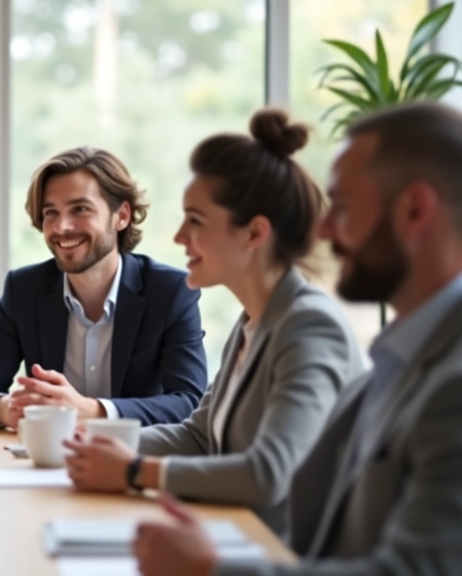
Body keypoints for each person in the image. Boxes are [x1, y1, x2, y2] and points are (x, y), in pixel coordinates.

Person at [133, 102, 462, 575]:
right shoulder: (402, 356)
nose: (324, 230)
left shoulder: (449, 382)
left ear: (414, 210)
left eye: (344, 207)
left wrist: (212, 569)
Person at [63, 109, 364, 535]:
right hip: (235, 537)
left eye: (196, 221)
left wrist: (134, 471)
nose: (179, 236)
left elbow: (269, 473)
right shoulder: (251, 324)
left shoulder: (311, 327)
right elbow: (199, 437)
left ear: (254, 234)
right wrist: (79, 441)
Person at [0, 147, 208, 429]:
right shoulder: (24, 289)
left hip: (135, 462)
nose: (62, 227)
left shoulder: (170, 291)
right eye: (51, 212)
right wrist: (10, 408)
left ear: (121, 216)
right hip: (44, 461)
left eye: (81, 209)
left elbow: (189, 402)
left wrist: (91, 411)